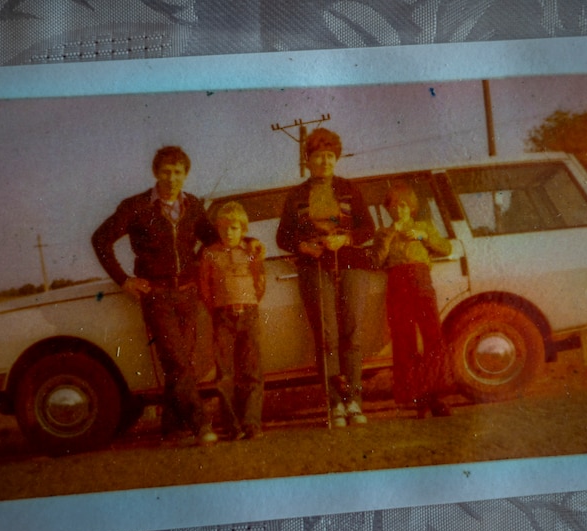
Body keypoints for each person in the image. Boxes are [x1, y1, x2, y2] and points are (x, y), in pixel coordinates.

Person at [92, 145, 220, 445]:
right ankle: (201, 424)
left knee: (181, 365)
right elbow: (100, 239)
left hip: (188, 294)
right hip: (157, 295)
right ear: (156, 173)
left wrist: (203, 260)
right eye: (166, 171)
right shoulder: (136, 206)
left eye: (178, 172)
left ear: (186, 174)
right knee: (178, 363)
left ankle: (172, 431)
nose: (172, 178)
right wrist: (125, 280)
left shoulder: (194, 206)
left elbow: (213, 240)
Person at [276, 128, 375, 428]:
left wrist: (345, 239)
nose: (324, 162)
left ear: (336, 159)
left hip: (351, 266)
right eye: (318, 156)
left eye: (330, 156)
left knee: (352, 333)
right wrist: (302, 246)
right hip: (314, 269)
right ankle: (335, 405)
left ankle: (355, 401)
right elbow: (283, 236)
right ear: (308, 161)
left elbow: (367, 229)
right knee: (327, 337)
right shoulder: (296, 195)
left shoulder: (349, 189)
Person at [371, 184, 453, 418]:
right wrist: (389, 234)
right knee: (403, 338)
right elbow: (376, 262)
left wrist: (422, 236)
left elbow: (445, 248)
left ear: (412, 208)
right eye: (393, 206)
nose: (399, 210)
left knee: (432, 335)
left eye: (403, 205)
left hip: (421, 281)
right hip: (397, 284)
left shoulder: (424, 227)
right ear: (388, 210)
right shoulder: (383, 233)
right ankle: (416, 398)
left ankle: (438, 395)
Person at [199, 201, 266, 440]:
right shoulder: (209, 254)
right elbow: (205, 288)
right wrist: (218, 309)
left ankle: (252, 423)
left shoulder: (250, 252)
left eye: (235, 228)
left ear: (243, 230)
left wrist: (248, 303)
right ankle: (232, 425)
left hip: (248, 313)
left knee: (251, 370)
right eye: (224, 227)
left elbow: (259, 282)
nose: (229, 232)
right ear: (217, 228)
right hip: (222, 316)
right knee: (225, 373)